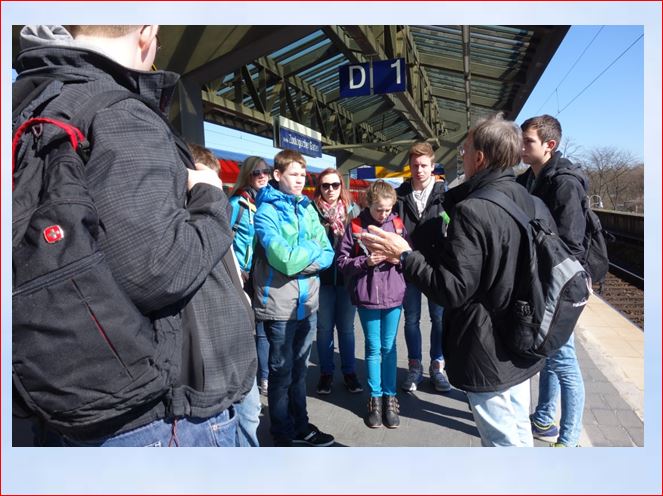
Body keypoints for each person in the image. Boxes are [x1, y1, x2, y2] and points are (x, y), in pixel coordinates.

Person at [14, 25, 256, 446]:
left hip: (78, 394)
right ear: (147, 33)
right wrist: (210, 197)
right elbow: (156, 269)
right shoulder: (117, 112)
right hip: (163, 415)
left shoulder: (40, 103)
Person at [361, 114, 550, 446]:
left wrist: (405, 255)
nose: (460, 156)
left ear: (479, 157)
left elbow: (452, 289)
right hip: (521, 335)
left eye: (465, 150)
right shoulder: (528, 199)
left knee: (503, 442)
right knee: (519, 430)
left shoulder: (473, 210)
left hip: (488, 346)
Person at [252, 149, 335, 447]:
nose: (300, 180)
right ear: (277, 175)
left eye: (303, 174)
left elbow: (328, 253)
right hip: (279, 309)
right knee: (281, 374)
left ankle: (301, 424)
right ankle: (281, 433)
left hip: (307, 305)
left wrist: (304, 254)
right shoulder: (266, 213)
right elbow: (283, 260)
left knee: (299, 373)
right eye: (293, 174)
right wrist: (309, 251)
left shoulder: (309, 209)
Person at [187, 144, 262, 448]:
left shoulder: (219, 214)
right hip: (211, 345)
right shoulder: (183, 229)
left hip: (239, 335)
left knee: (250, 415)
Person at [519, 115, 587, 448]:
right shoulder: (530, 178)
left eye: (527, 141)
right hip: (542, 279)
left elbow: (572, 246)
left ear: (550, 145)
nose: (521, 145)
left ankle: (570, 438)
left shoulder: (564, 184)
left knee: (563, 358)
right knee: (550, 352)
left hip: (559, 284)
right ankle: (545, 418)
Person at [337, 180, 407, 429]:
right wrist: (364, 263)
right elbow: (342, 262)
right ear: (369, 203)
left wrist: (398, 259)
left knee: (389, 347)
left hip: (393, 294)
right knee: (373, 347)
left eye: (388, 209)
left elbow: (409, 256)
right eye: (379, 209)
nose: (384, 214)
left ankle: (390, 397)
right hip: (367, 295)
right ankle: (375, 398)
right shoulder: (355, 225)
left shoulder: (397, 225)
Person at [394, 142, 451, 393]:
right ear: (410, 166)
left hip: (437, 267)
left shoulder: (445, 195)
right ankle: (414, 366)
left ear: (432, 166)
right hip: (408, 267)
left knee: (439, 319)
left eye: (424, 165)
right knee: (412, 319)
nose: (419, 170)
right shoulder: (399, 196)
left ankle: (437, 366)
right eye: (415, 165)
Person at [312, 168, 363, 396]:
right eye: (325, 185)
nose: (330, 190)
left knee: (346, 329)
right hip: (321, 279)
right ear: (319, 188)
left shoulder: (353, 212)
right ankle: (326, 373)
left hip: (346, 279)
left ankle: (349, 372)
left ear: (341, 186)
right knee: (323, 330)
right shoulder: (312, 212)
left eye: (335, 185)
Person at [229, 156, 272, 397]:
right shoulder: (237, 204)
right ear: (247, 175)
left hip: (265, 273)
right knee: (248, 326)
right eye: (257, 172)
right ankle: (251, 377)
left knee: (264, 326)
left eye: (266, 171)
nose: (263, 175)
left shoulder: (269, 203)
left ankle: (264, 375)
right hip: (243, 275)